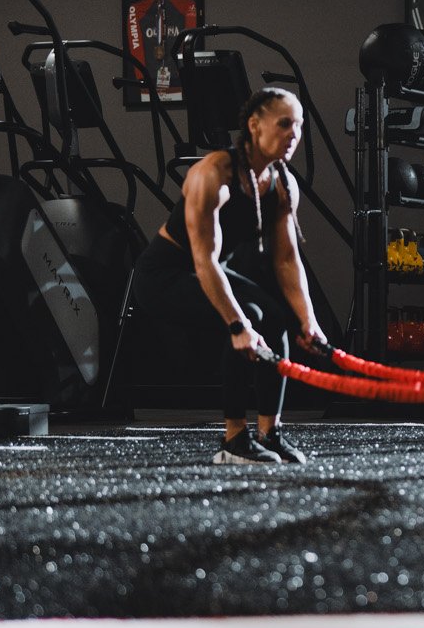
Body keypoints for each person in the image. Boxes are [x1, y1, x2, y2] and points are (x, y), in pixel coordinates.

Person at [132, 85, 329, 465]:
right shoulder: (213, 175)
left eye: (300, 126)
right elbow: (204, 260)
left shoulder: (282, 183)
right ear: (255, 125)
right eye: (285, 123)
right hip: (165, 276)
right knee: (249, 319)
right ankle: (233, 440)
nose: (294, 135)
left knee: (275, 315)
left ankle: (270, 433)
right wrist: (237, 327)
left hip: (210, 270)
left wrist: (309, 321)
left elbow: (287, 260)